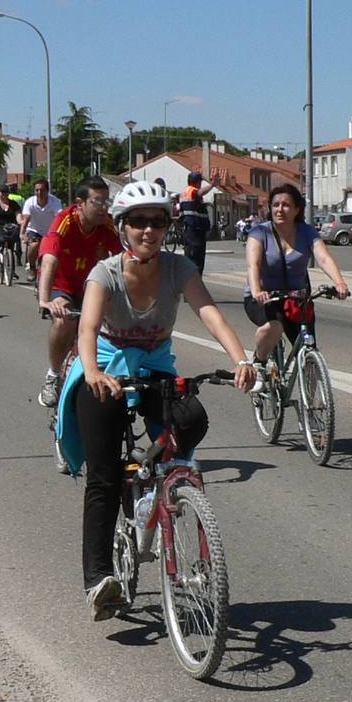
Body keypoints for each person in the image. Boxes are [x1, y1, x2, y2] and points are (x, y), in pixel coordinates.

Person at [54, 180, 255, 618]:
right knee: (104, 476)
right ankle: (98, 580)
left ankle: (148, 470)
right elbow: (86, 329)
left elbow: (209, 312)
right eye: (140, 221)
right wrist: (90, 371)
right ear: (123, 226)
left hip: (154, 369)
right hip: (105, 371)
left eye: (158, 221)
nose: (150, 230)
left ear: (168, 226)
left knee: (193, 419)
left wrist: (241, 358)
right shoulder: (104, 273)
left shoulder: (178, 269)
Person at [36, 175, 124, 406]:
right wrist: (45, 301)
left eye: (107, 201)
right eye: (97, 202)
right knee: (63, 321)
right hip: (61, 285)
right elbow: (49, 262)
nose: (104, 208)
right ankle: (53, 375)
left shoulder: (106, 226)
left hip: (90, 287)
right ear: (80, 203)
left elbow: (123, 262)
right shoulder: (64, 221)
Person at [244, 183, 349, 376]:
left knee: (308, 348)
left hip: (297, 299)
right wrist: (257, 290)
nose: (279, 209)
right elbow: (254, 265)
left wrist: (339, 282)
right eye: (275, 205)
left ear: (297, 209)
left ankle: (313, 401)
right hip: (266, 298)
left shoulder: (307, 232)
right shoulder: (260, 232)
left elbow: (323, 257)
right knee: (273, 328)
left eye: (285, 205)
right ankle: (259, 361)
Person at [19, 178, 62, 281]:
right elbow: (26, 219)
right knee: (34, 245)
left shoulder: (55, 202)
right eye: (37, 190)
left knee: (56, 251)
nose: (39, 192)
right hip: (34, 230)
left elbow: (59, 218)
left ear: (47, 190)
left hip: (50, 231)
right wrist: (22, 233)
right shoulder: (30, 202)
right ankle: (32, 267)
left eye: (42, 190)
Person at [178, 170, 215, 273]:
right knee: (196, 259)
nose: (201, 184)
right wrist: (212, 185)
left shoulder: (184, 192)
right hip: (195, 230)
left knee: (190, 256)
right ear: (197, 181)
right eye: (200, 182)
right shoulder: (192, 191)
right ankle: (194, 283)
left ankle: (190, 281)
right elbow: (199, 193)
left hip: (191, 229)